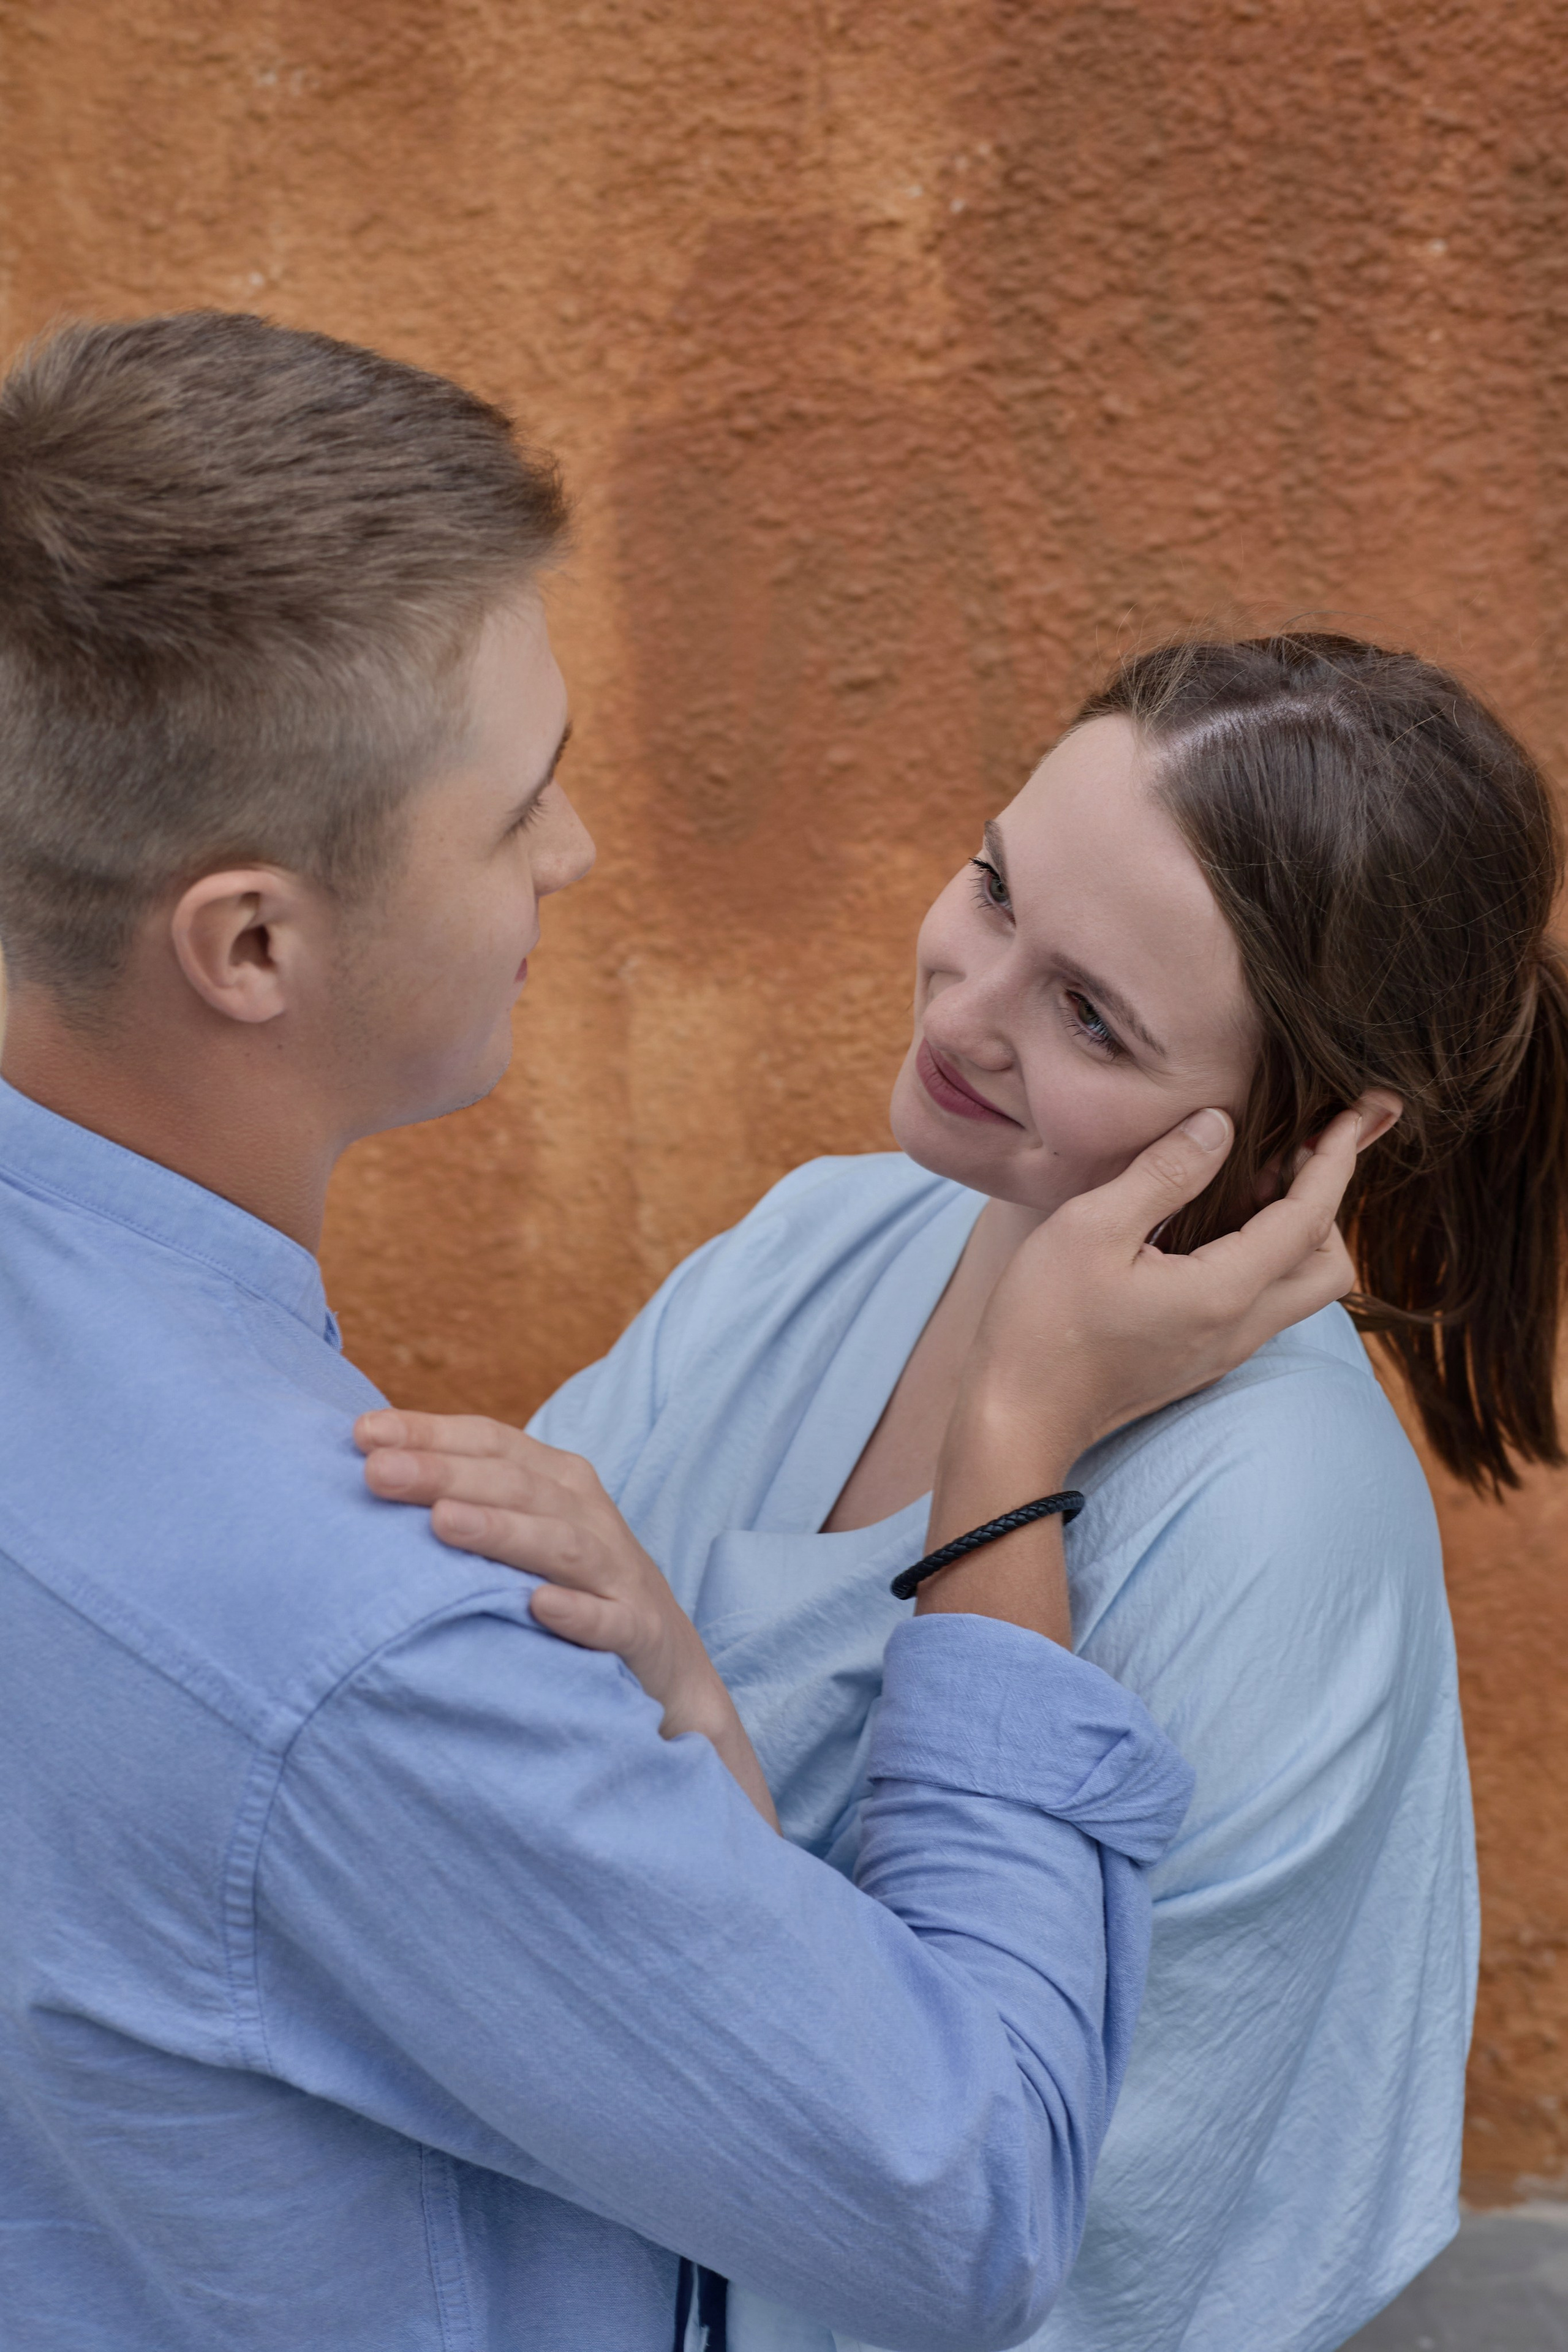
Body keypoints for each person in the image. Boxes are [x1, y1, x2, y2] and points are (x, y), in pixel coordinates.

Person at [0, 314, 1367, 2352]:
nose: (575, 851)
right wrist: (1010, 1480)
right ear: (255, 941)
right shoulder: (371, 1653)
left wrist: (687, 1705)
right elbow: (969, 2198)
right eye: (516, 806)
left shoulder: (1272, 1487)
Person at [366, 633, 1568, 2350]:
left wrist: (707, 1711)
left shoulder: (1281, 1530)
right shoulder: (821, 1237)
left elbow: (1049, 2253)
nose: (965, 1006)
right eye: (998, 891)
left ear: (1313, 1137)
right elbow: (476, 1775)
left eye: (1090, 1015)